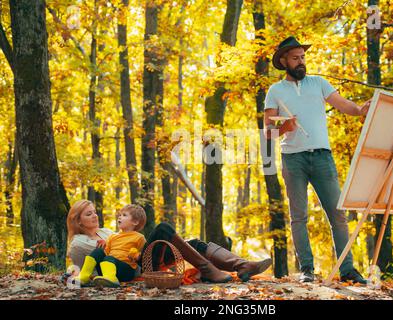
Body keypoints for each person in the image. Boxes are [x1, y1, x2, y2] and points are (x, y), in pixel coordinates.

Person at [264, 36, 371, 284]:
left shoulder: (318, 83)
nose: (301, 62)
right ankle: (307, 270)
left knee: (338, 214)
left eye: (303, 57)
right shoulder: (275, 91)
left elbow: (343, 104)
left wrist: (359, 110)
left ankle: (348, 270)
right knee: (299, 216)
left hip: (322, 157)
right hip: (293, 160)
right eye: (295, 58)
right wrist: (284, 128)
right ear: (284, 61)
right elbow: (268, 130)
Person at [66, 200, 272, 285]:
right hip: (132, 267)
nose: (94, 216)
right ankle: (208, 269)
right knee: (163, 228)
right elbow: (79, 266)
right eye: (88, 214)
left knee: (194, 243)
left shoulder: (106, 231)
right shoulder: (79, 242)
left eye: (94, 212)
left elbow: (131, 241)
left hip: (138, 257)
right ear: (77, 220)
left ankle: (241, 265)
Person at [75, 204, 147, 287]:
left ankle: (111, 280)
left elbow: (144, 256)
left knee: (109, 258)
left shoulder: (139, 237)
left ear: (135, 222)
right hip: (107, 269)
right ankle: (83, 277)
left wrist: (136, 254)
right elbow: (106, 253)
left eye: (124, 215)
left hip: (126, 271)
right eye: (119, 215)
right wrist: (104, 246)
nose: (119, 217)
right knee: (98, 251)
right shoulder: (113, 237)